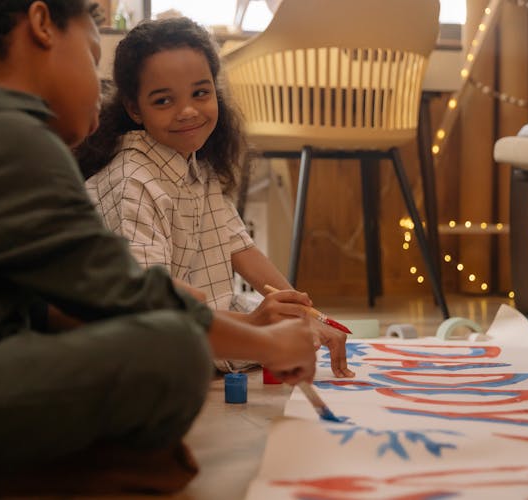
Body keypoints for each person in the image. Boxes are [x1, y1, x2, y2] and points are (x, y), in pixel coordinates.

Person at [0, 2, 318, 498]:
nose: (100, 92)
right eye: (94, 58)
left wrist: (249, 326)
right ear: (42, 25)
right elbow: (126, 295)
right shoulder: (9, 138)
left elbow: (62, 306)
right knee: (171, 351)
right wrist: (267, 345)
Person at [80, 17, 353, 377]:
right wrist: (255, 325)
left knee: (275, 322)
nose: (188, 110)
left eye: (201, 93)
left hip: (203, 322)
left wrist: (304, 311)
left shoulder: (194, 164)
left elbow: (241, 249)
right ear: (135, 109)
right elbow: (149, 312)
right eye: (163, 100)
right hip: (153, 336)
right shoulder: (132, 180)